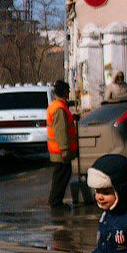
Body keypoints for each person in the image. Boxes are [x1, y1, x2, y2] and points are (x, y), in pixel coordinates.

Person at [46, 80, 78, 209]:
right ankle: (55, 202)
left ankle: (55, 200)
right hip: (60, 151)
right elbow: (61, 131)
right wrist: (64, 149)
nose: (69, 92)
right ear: (64, 92)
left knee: (61, 175)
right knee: (61, 176)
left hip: (58, 150)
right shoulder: (59, 108)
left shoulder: (57, 106)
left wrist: (73, 118)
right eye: (68, 90)